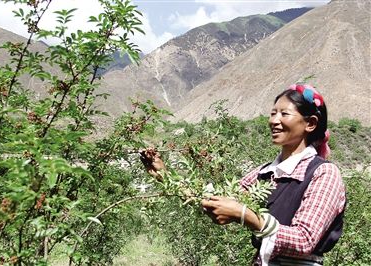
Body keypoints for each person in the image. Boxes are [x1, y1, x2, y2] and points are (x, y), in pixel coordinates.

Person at [141, 84, 346, 266]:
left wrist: (245, 215)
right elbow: (215, 201)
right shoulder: (265, 173)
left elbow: (304, 240)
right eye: (273, 113)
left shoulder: (324, 173)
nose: (273, 120)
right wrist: (164, 175)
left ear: (310, 123)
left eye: (284, 114)